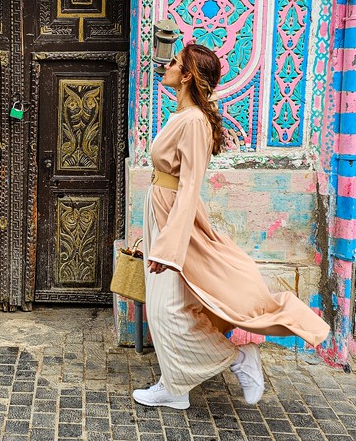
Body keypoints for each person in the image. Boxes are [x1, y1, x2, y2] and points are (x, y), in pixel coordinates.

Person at [133, 43, 330, 410]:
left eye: (174, 62)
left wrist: (168, 247)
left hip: (177, 217)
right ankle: (175, 387)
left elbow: (189, 186)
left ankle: (239, 359)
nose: (167, 66)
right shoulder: (183, 116)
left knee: (165, 308)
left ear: (188, 74)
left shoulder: (193, 122)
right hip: (163, 210)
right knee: (175, 303)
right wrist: (154, 230)